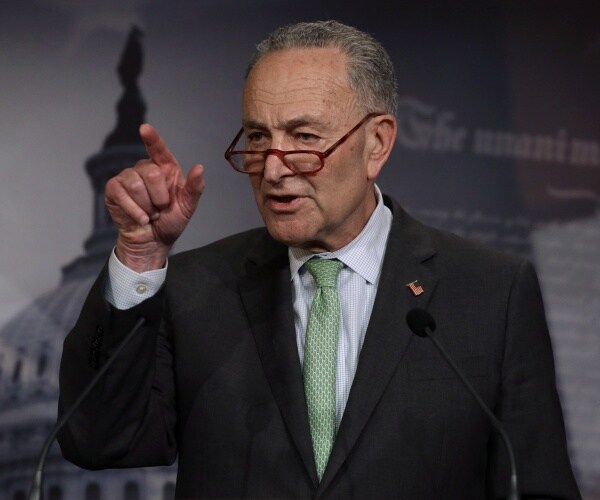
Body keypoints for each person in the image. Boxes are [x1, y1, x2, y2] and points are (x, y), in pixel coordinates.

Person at [58, 20, 581, 499]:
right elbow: (100, 442)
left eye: (304, 137)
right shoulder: (196, 288)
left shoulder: (492, 291)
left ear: (377, 143)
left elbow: (536, 483)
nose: (273, 169)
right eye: (259, 138)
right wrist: (140, 257)